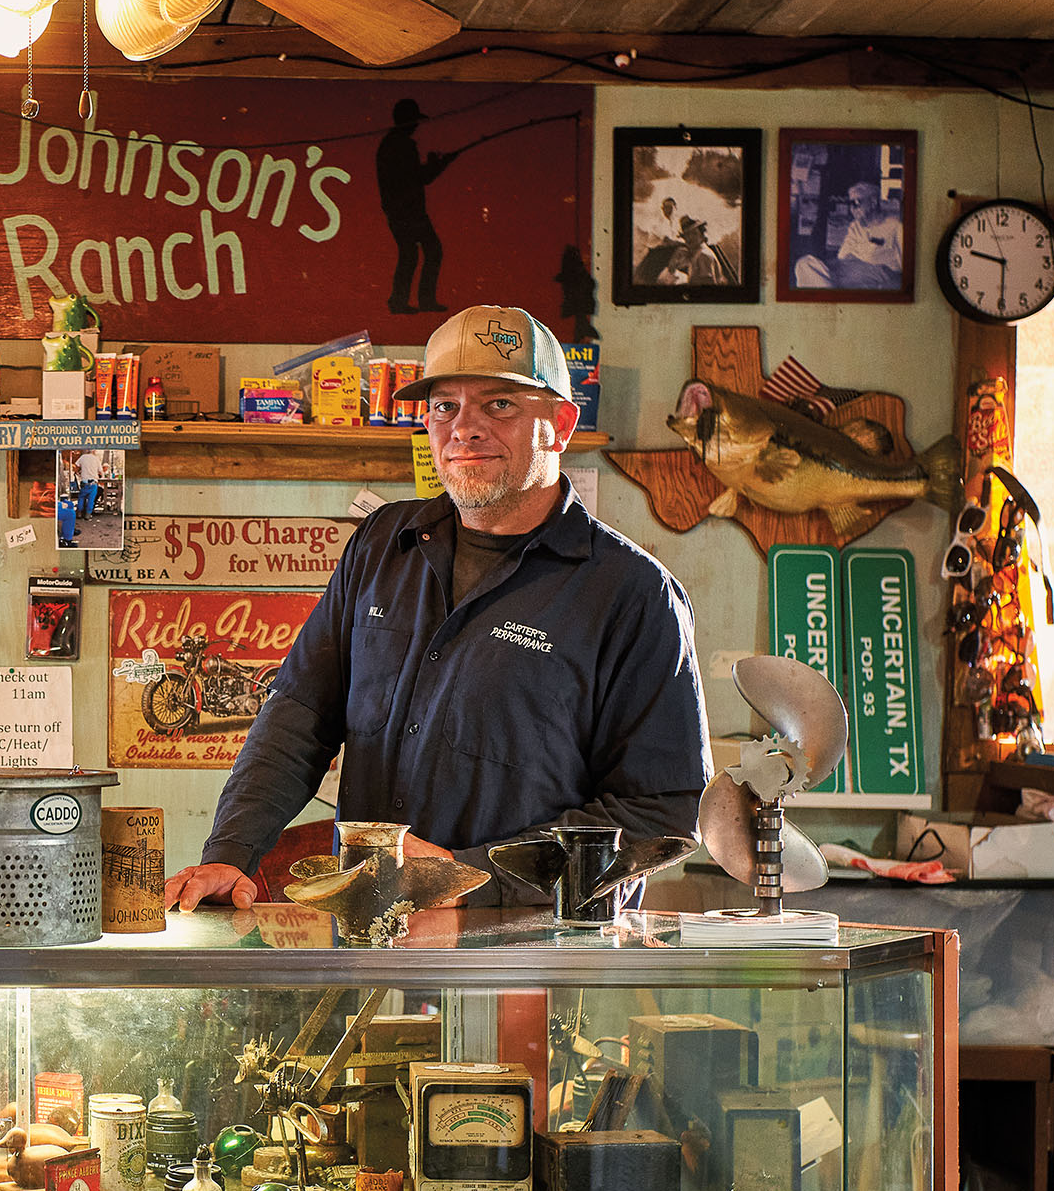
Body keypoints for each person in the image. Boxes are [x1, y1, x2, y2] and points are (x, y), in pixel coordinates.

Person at [164, 305, 711, 913]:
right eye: (444, 406)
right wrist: (231, 852)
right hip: (373, 935)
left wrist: (465, 876)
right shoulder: (381, 544)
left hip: (534, 952)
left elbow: (658, 814)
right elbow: (299, 713)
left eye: (499, 404)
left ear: (559, 423)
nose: (464, 428)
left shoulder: (633, 594)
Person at [376, 99, 458, 314]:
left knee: (411, 253)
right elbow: (419, 177)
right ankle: (417, 300)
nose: (416, 125)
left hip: (400, 210)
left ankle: (403, 301)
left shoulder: (390, 144)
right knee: (428, 251)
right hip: (408, 211)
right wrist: (440, 164)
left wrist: (435, 164)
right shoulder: (402, 145)